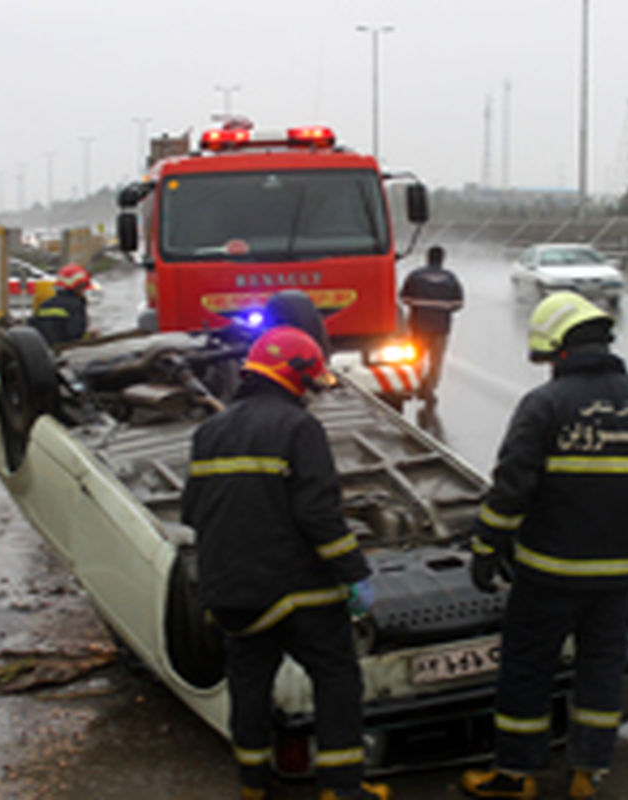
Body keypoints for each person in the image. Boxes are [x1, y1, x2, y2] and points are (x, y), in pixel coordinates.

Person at [461, 292, 628, 800]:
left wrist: (485, 546)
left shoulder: (546, 406)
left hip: (549, 573)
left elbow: (512, 487)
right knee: (602, 668)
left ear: (561, 350)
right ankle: (588, 771)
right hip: (621, 575)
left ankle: (516, 775)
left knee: (527, 667)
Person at [180, 325, 390, 800]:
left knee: (249, 685)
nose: (312, 396)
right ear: (295, 378)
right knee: (337, 677)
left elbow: (193, 511)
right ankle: (341, 787)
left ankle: (254, 784)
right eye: (310, 385)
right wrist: (355, 574)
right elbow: (318, 515)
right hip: (297, 593)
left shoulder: (209, 431)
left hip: (231, 592)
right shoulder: (299, 428)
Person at [399, 245, 464, 403]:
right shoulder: (451, 278)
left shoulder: (415, 276)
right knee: (436, 360)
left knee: (414, 358)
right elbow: (458, 303)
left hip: (418, 325)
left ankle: (411, 385)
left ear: (427, 257)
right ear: (443, 259)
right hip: (441, 327)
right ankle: (428, 389)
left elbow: (404, 298)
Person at [29, 263, 91, 345]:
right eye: (83, 287)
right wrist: (89, 337)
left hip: (44, 350)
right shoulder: (75, 305)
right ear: (79, 286)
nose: (84, 291)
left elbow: (33, 326)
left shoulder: (45, 304)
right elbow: (75, 334)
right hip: (65, 351)